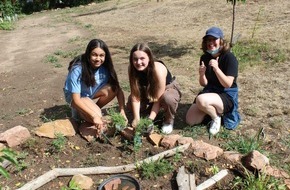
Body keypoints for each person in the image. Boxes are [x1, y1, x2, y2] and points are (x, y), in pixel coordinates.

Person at [63, 39, 128, 133]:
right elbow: (76, 99)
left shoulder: (106, 68)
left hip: (89, 94)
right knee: (95, 116)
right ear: (88, 54)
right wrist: (94, 115)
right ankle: (82, 111)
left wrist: (122, 111)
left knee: (114, 88)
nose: (98, 59)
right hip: (76, 97)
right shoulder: (77, 69)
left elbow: (118, 90)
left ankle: (90, 110)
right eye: (94, 55)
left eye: (101, 55)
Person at [186, 26, 241, 135]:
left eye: (214, 39)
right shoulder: (204, 58)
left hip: (226, 94)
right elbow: (204, 83)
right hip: (210, 92)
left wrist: (216, 69)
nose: (210, 42)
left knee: (201, 100)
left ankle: (216, 118)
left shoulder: (229, 58)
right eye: (208, 40)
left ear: (221, 41)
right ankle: (211, 111)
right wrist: (202, 74)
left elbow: (228, 84)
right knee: (190, 121)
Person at [127, 43, 181, 134]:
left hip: (166, 89)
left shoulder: (157, 69)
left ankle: (168, 120)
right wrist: (136, 118)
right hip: (147, 89)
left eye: (142, 58)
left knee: (168, 99)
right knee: (130, 105)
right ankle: (146, 114)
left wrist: (149, 120)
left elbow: (158, 99)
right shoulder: (132, 69)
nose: (138, 62)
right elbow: (135, 95)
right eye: (135, 59)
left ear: (149, 57)